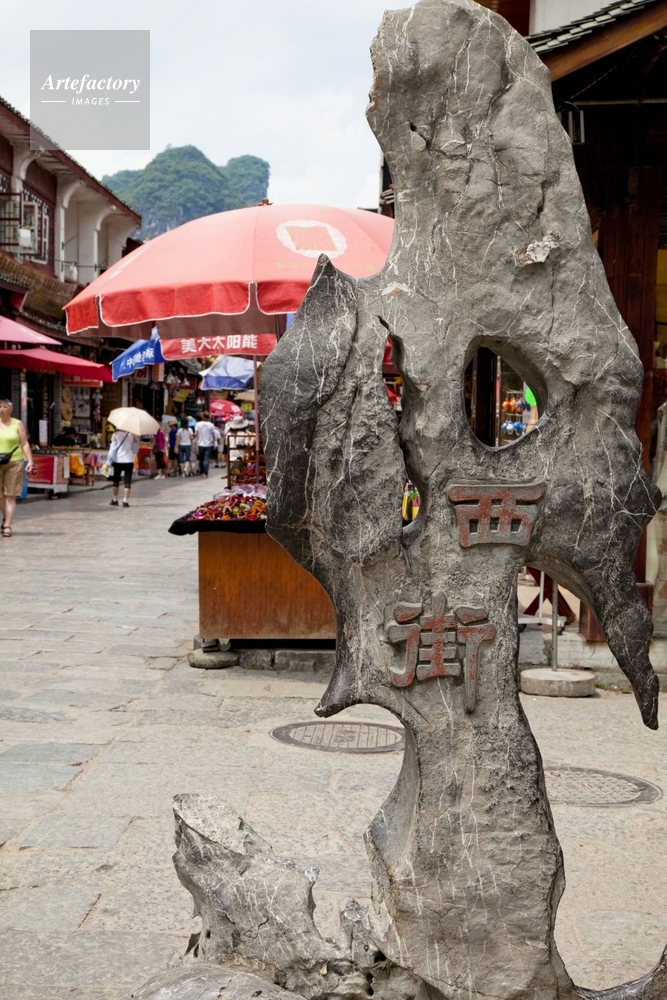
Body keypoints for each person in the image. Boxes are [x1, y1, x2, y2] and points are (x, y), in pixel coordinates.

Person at [0, 397, 34, 537]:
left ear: (10, 409)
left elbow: (24, 443)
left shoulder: (17, 423)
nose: (2, 409)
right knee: (0, 496)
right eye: (0, 407)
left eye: (4, 407)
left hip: (14, 462)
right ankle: (6, 517)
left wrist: (30, 461)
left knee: (10, 494)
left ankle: (7, 525)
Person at [108, 426, 139, 507]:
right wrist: (135, 440)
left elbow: (112, 450)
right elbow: (135, 450)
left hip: (118, 461)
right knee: (127, 482)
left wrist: (108, 461)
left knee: (116, 481)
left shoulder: (115, 434)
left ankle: (114, 499)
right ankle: (125, 501)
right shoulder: (132, 435)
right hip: (129, 461)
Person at [194, 411, 216, 477]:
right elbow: (213, 435)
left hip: (200, 444)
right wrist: (214, 444)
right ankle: (205, 472)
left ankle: (202, 471)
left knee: (201, 459)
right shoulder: (211, 425)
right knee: (207, 459)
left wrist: (192, 437)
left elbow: (196, 434)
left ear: (202, 416)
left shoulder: (198, 424)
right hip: (209, 444)